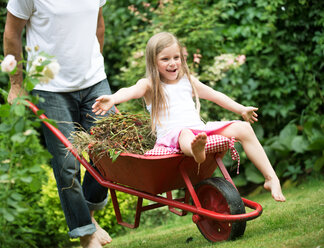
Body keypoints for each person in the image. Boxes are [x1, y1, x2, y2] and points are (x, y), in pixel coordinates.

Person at [92, 32, 286, 202]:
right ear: (153, 62)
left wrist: (241, 109)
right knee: (185, 134)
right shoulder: (150, 85)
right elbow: (130, 91)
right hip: (173, 136)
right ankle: (197, 151)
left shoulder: (187, 81)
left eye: (176, 57)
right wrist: (113, 98)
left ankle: (271, 178)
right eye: (165, 59)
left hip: (199, 129)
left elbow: (215, 95)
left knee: (244, 128)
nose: (173, 63)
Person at [3, 1, 113, 247]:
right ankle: (85, 234)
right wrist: (16, 83)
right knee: (67, 164)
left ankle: (90, 217)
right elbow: (12, 33)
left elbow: (99, 24)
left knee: (108, 148)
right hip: (50, 87)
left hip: (94, 81)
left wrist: (94, 66)